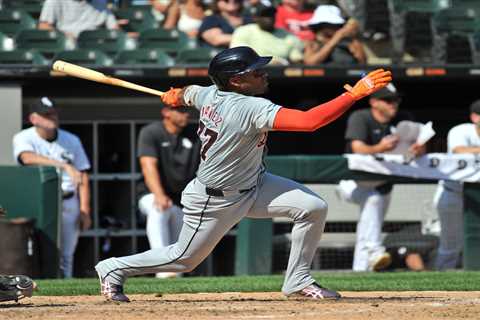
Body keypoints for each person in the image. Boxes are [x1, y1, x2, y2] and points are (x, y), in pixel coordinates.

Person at [95, 46, 391, 302]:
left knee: (313, 207)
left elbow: (190, 93)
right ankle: (113, 268)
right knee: (183, 260)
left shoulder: (209, 93)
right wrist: (353, 95)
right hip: (215, 199)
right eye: (256, 72)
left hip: (254, 184)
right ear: (236, 81)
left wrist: (179, 95)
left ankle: (298, 280)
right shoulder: (248, 107)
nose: (263, 74)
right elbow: (309, 121)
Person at [336, 83, 426, 272]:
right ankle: (375, 251)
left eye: (396, 100)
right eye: (388, 100)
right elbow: (357, 148)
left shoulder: (404, 119)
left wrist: (418, 149)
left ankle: (360, 270)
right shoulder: (360, 117)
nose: (394, 104)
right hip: (352, 181)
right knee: (373, 200)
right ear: (374, 102)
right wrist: (380, 148)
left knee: (371, 214)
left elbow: (420, 146)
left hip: (382, 183)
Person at [12, 97, 91, 278]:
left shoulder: (71, 140)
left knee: (66, 254)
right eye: (46, 114)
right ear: (34, 119)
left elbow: (83, 175)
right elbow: (26, 158)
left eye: (54, 113)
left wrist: (85, 209)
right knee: (38, 249)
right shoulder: (24, 137)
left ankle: (67, 292)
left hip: (68, 200)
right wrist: (63, 165)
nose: (52, 117)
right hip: (39, 203)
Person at [137, 106, 200, 278]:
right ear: (166, 112)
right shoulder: (151, 132)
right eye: (180, 110)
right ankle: (161, 266)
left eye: (187, 110)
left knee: (179, 240)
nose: (186, 114)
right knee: (160, 209)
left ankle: (173, 274)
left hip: (181, 199)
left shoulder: (195, 133)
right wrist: (159, 194)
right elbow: (148, 165)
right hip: (151, 194)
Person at [433, 100, 480, 270]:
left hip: (477, 194)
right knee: (450, 243)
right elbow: (459, 150)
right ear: (475, 117)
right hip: (452, 191)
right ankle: (440, 283)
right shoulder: (461, 130)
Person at [230, 5, 304, 65]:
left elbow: (297, 60)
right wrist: (268, 63)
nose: (269, 18)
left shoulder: (287, 35)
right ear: (256, 18)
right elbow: (238, 56)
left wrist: (282, 63)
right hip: (252, 72)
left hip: (281, 74)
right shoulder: (243, 31)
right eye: (265, 15)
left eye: (271, 15)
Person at [38, 0, 119, 39]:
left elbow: (114, 28)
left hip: (94, 46)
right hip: (65, 46)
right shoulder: (53, 1)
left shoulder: (101, 2)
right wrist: (65, 36)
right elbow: (43, 26)